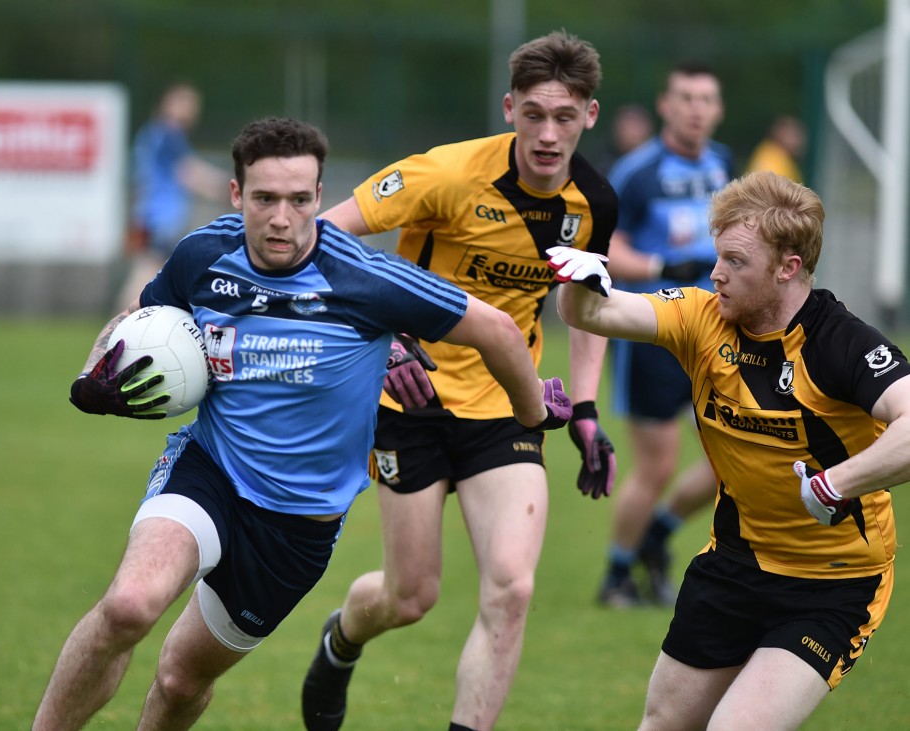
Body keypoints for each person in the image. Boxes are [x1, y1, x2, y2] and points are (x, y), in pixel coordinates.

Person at [30, 116, 574, 731]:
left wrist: (533, 412)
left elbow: (497, 329)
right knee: (129, 607)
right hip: (209, 472)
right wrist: (93, 373)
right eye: (263, 199)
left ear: (319, 197)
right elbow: (138, 319)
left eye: (297, 200)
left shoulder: (365, 279)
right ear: (238, 196)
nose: (280, 218)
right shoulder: (203, 255)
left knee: (182, 678)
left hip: (296, 526)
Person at [300, 30, 618, 731]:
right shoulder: (445, 175)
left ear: (590, 116)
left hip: (510, 406)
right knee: (410, 596)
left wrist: (587, 404)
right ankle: (341, 639)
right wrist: (381, 343)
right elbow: (319, 240)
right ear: (509, 108)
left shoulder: (593, 202)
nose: (547, 132)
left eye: (565, 117)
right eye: (533, 113)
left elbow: (584, 306)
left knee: (512, 587)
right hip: (407, 402)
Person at [550, 170, 910, 731]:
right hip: (733, 566)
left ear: (787, 268)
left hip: (833, 583)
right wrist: (585, 282)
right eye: (717, 256)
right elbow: (593, 314)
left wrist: (838, 483)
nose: (716, 273)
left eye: (736, 261)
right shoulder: (702, 316)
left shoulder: (841, 344)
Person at [596, 61, 734, 608]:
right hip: (653, 335)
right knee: (656, 465)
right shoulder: (637, 172)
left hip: (720, 330)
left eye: (706, 99)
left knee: (735, 458)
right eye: (686, 98)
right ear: (666, 105)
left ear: (718, 110)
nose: (696, 108)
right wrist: (660, 268)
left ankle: (658, 533)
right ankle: (616, 577)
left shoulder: (725, 165)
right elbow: (604, 250)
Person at [114, 82, 231, 311]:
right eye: (184, 103)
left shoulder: (151, 133)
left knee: (146, 271)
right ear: (168, 103)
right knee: (146, 273)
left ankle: (121, 326)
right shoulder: (169, 133)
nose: (190, 110)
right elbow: (188, 172)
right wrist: (224, 188)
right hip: (160, 218)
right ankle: (119, 327)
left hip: (150, 214)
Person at [746, 114, 807, 183]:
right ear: (780, 134)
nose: (799, 140)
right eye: (794, 134)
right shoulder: (770, 158)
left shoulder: (782, 158)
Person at [598, 103, 655, 172]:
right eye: (627, 126)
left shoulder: (659, 164)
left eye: (636, 126)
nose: (632, 132)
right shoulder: (606, 165)